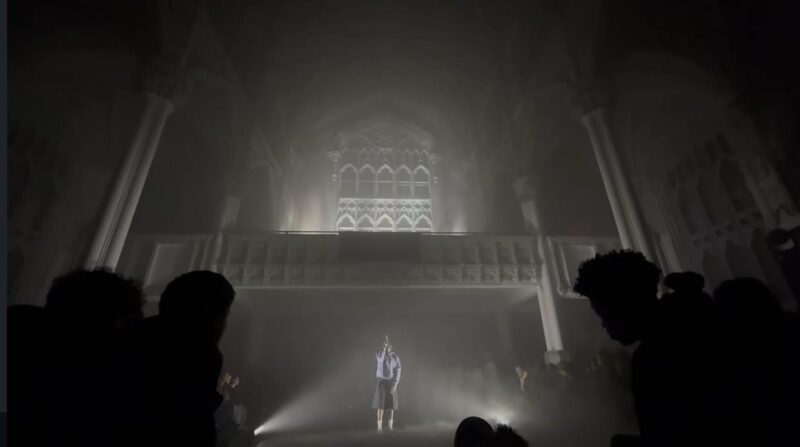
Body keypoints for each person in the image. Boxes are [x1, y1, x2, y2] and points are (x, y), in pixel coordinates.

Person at [574, 250, 724, 446]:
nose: (603, 324)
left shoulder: (658, 356)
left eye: (604, 312)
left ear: (625, 305)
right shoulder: (696, 325)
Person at [120, 270, 235, 447]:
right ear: (210, 318)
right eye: (223, 314)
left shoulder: (132, 340)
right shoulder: (198, 359)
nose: (223, 325)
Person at [373, 335, 401, 432]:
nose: (387, 346)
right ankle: (379, 429)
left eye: (388, 345)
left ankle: (390, 428)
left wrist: (395, 384)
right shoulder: (380, 354)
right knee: (380, 406)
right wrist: (383, 347)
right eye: (385, 345)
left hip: (391, 382)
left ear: (391, 347)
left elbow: (398, 370)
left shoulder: (395, 357)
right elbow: (380, 358)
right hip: (381, 382)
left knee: (391, 406)